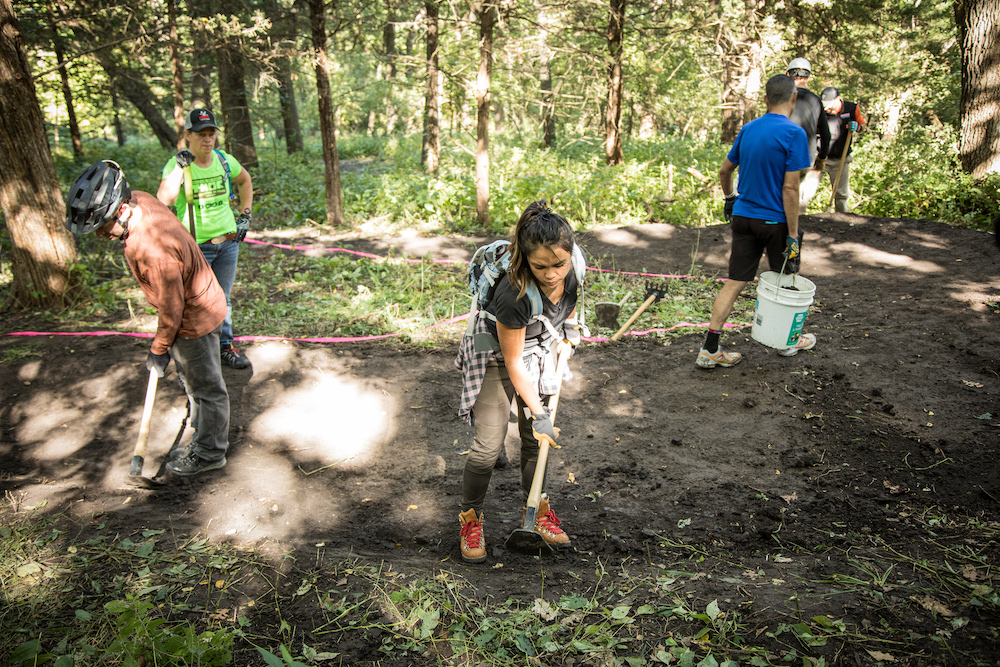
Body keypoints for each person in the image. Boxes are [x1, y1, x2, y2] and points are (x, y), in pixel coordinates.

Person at [66, 160, 231, 476]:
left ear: (120, 212)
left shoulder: (153, 252)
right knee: (193, 381)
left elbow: (172, 311)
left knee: (206, 386)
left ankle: (210, 453)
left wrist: (158, 350)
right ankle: (204, 438)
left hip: (195, 315)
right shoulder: (139, 199)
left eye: (101, 227)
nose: (100, 235)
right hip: (191, 302)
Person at [454, 201, 583, 563]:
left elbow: (568, 306)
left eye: (559, 264)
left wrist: (569, 330)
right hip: (495, 353)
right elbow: (513, 362)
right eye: (540, 266)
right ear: (525, 261)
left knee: (533, 440)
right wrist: (540, 413)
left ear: (570, 254)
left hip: (537, 346)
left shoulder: (574, 269)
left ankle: (537, 511)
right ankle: (470, 518)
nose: (552, 273)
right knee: (488, 445)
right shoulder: (514, 294)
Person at [703, 74, 816, 368]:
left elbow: (725, 171)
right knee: (786, 281)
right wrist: (793, 234)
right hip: (774, 222)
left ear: (766, 100)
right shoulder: (794, 134)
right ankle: (787, 342)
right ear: (794, 98)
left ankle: (710, 348)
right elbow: (790, 189)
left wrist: (729, 199)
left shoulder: (749, 129)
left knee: (735, 282)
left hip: (743, 216)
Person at [157, 108, 254, 370]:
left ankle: (225, 347)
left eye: (211, 134)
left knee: (223, 298)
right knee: (197, 301)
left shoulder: (224, 160)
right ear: (188, 135)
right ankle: (201, 355)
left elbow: (245, 181)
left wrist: (245, 215)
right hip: (195, 247)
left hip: (228, 243)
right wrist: (179, 167)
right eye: (201, 134)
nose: (207, 140)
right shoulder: (177, 164)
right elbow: (163, 199)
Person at [785, 58, 831, 208]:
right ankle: (795, 226)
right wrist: (822, 157)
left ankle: (782, 226)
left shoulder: (781, 97)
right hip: (806, 156)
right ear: (809, 77)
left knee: (781, 193)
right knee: (796, 194)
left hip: (782, 153)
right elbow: (826, 133)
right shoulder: (815, 100)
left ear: (788, 75)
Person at [821, 87, 866, 213]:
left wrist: (858, 127)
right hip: (821, 158)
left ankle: (841, 222)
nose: (826, 108)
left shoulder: (851, 108)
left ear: (837, 100)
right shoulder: (820, 111)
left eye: (829, 105)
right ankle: (800, 221)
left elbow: (862, 125)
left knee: (841, 195)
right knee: (806, 192)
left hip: (841, 158)